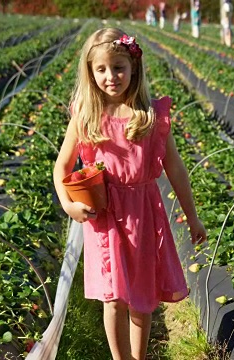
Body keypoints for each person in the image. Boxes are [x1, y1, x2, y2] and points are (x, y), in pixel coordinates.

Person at [53, 28, 207, 360]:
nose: (111, 77)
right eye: (102, 69)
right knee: (113, 297)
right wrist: (68, 204)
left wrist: (192, 217)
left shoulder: (150, 115)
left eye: (119, 67)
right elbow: (61, 167)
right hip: (104, 216)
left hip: (143, 213)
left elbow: (176, 170)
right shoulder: (86, 115)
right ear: (90, 72)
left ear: (134, 67)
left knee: (142, 295)